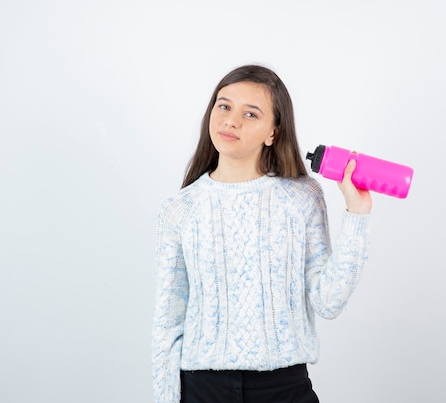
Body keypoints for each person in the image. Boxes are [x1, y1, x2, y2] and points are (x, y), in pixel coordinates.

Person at [152, 64, 372, 403]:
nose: (231, 120)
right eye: (223, 106)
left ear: (273, 131)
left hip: (284, 389)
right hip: (202, 390)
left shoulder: (302, 197)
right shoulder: (180, 209)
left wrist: (357, 214)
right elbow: (168, 321)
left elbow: (327, 302)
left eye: (250, 114)